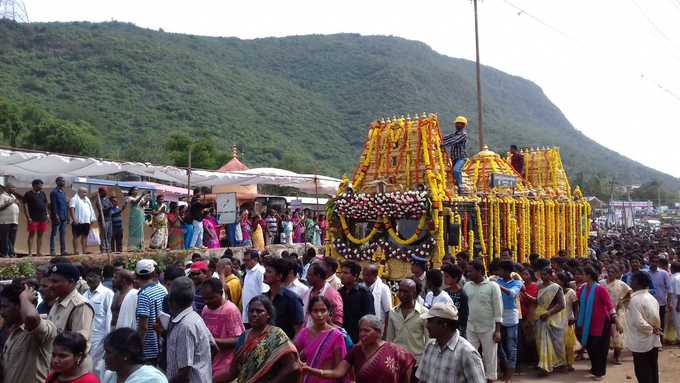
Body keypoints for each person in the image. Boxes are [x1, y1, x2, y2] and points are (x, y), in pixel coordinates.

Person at [303, 314, 415, 383]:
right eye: (361, 330)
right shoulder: (355, 351)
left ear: (379, 332)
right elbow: (337, 373)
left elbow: (408, 366)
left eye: (367, 331)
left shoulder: (394, 351)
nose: (362, 334)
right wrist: (310, 370)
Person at [215, 295, 301, 383]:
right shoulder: (244, 336)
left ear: (268, 315)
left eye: (259, 311)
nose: (254, 314)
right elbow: (232, 372)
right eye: (251, 311)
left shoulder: (276, 335)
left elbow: (292, 366)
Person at [0, 280, 57, 383]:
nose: (2, 312)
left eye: (5, 307)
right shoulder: (13, 333)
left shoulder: (46, 327)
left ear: (20, 306)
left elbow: (30, 317)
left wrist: (24, 297)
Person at [416, 303, 486, 383]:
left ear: (444, 324)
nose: (427, 325)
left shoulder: (467, 353)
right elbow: (422, 379)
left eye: (430, 321)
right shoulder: (430, 346)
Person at [165, 277, 213, 383]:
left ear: (172, 301)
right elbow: (213, 346)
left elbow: (184, 373)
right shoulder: (195, 317)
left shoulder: (185, 326)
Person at [48, 263, 95, 371]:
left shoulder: (80, 305)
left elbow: (80, 344)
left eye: (55, 281)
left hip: (74, 371)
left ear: (71, 282)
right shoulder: (57, 303)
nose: (51, 285)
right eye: (50, 281)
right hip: (59, 367)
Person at [463, 260, 503, 382]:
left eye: (471, 271)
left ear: (480, 271)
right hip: (471, 327)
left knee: (489, 357)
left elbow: (498, 309)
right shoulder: (467, 286)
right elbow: (464, 308)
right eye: (468, 271)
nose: (468, 274)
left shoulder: (493, 286)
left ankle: (490, 379)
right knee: (470, 356)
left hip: (488, 328)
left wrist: (498, 331)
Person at [294, 296, 348, 383]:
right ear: (310, 313)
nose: (319, 315)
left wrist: (312, 370)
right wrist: (300, 362)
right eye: (315, 311)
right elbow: (292, 353)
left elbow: (340, 368)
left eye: (323, 311)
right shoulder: (304, 333)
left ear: (329, 312)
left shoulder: (336, 336)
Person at [576, 265, 615, 381]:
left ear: (589, 276)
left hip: (601, 323)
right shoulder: (582, 289)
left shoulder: (599, 288)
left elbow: (609, 304)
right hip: (587, 324)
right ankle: (594, 368)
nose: (581, 276)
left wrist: (615, 319)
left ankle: (599, 372)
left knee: (599, 348)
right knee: (590, 347)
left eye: (583, 274)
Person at [200, 277, 244, 378]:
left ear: (220, 293)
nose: (207, 302)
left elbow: (239, 340)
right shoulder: (205, 310)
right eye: (204, 298)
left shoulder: (230, 310)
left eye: (211, 298)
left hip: (226, 364)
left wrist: (213, 341)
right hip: (209, 362)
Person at [625, 271, 662, 383]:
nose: (630, 282)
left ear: (638, 283)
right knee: (653, 368)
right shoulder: (651, 298)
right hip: (653, 340)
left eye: (632, 280)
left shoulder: (634, 300)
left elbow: (639, 323)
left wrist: (652, 329)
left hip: (640, 342)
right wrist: (655, 329)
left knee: (642, 372)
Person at [386, 278, 428, 364]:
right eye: (400, 291)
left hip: (416, 362)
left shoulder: (424, 313)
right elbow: (389, 339)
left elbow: (429, 341)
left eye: (406, 292)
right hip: (397, 360)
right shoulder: (393, 313)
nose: (401, 294)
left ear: (414, 293)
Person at [102, 328, 168, 383]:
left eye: (109, 352)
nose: (104, 357)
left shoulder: (152, 379)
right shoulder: (110, 376)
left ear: (126, 355)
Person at [534, 267, 566, 376]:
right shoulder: (538, 286)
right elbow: (538, 302)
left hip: (551, 318)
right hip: (540, 318)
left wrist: (548, 313)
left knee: (555, 343)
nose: (543, 277)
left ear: (551, 275)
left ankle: (550, 366)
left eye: (545, 274)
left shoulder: (556, 288)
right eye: (541, 274)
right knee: (541, 343)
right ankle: (544, 365)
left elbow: (562, 304)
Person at [495, 260, 523, 381]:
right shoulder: (497, 281)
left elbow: (512, 294)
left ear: (506, 271)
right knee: (498, 345)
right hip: (498, 317)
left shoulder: (517, 282)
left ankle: (509, 373)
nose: (498, 272)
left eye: (500, 270)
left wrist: (497, 287)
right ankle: (505, 369)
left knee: (511, 346)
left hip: (511, 318)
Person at [84, 266, 115, 378]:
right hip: (87, 336)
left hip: (100, 337)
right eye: (88, 276)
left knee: (98, 368)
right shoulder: (84, 295)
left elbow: (109, 316)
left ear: (100, 278)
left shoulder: (107, 294)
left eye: (93, 276)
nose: (90, 279)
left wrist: (107, 339)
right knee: (87, 366)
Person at [135, 259, 167, 365]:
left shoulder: (143, 295)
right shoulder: (161, 289)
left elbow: (143, 327)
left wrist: (137, 346)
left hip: (149, 349)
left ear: (136, 275)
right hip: (161, 343)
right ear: (153, 274)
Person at [263, 257, 305, 339]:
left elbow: (299, 330)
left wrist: (290, 349)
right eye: (266, 271)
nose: (264, 274)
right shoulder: (264, 297)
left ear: (279, 276)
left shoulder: (292, 299)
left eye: (269, 272)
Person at [338, 260, 375, 343]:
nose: (342, 275)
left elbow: (369, 319)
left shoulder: (364, 293)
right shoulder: (340, 292)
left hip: (358, 340)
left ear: (355, 276)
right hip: (342, 337)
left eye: (346, 273)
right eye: (341, 272)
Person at [603, 264, 631, 364]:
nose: (610, 274)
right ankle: (603, 355)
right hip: (603, 311)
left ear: (617, 274)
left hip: (618, 310)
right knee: (604, 334)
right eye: (609, 271)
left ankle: (617, 356)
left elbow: (628, 295)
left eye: (613, 272)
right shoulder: (601, 283)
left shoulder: (622, 284)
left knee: (617, 334)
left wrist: (622, 303)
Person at [302, 262, 344, 326]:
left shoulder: (332, 294)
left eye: (309, 275)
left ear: (318, 276)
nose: (307, 277)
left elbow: (338, 320)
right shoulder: (308, 292)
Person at [557, 271, 578, 371]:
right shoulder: (556, 290)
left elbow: (576, 307)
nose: (556, 281)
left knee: (568, 344)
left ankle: (569, 363)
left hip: (568, 320)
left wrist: (575, 318)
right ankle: (562, 362)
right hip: (558, 320)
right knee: (559, 343)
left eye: (558, 279)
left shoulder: (571, 292)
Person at [441, 115, 468, 192]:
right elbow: (445, 138)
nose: (458, 125)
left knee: (456, 170)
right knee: (452, 174)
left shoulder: (463, 135)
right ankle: (456, 188)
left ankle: (461, 187)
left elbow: (453, 141)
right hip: (454, 158)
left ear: (464, 125)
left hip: (461, 158)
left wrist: (441, 144)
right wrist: (436, 137)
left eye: (461, 124)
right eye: (457, 123)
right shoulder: (454, 134)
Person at [442, 262, 469, 337]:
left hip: (457, 329)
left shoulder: (462, 295)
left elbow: (464, 316)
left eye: (447, 277)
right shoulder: (444, 292)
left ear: (455, 278)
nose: (444, 279)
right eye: (444, 276)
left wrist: (461, 330)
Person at [648, 255, 671, 343]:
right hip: (648, 303)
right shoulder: (646, 273)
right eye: (652, 261)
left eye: (656, 261)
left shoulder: (664, 273)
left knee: (661, 322)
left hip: (661, 302)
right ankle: (651, 341)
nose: (654, 263)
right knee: (650, 322)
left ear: (658, 263)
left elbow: (669, 289)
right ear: (649, 262)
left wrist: (668, 303)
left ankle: (659, 341)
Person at [23, 178, 49, 256]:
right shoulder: (28, 194)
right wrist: (28, 217)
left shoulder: (43, 193)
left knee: (40, 235)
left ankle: (38, 252)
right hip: (33, 218)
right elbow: (25, 206)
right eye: (40, 185)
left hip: (42, 217)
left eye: (42, 185)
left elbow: (45, 204)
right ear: (34, 185)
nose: (41, 186)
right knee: (32, 234)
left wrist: (47, 214)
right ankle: (30, 252)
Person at [242, 249, 268, 324]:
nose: (245, 262)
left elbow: (264, 293)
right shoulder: (247, 272)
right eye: (244, 260)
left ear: (255, 259)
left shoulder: (260, 272)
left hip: (257, 314)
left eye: (248, 260)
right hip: (247, 314)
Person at [69, 187, 97, 255]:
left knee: (85, 236)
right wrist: (74, 219)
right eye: (84, 192)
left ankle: (84, 250)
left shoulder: (87, 199)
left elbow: (90, 209)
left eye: (86, 192)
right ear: (79, 192)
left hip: (86, 221)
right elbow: (71, 209)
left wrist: (92, 218)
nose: (85, 194)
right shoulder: (74, 199)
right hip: (78, 221)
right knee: (76, 236)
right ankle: (76, 251)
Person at [50, 177, 70, 256]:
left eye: (64, 181)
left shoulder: (63, 193)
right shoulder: (54, 192)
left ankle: (63, 250)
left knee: (63, 234)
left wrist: (67, 216)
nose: (64, 182)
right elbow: (53, 206)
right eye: (62, 181)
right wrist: (56, 216)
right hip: (57, 216)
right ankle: (52, 251)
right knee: (54, 233)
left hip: (64, 216)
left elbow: (65, 205)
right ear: (57, 182)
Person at [0, 182, 20, 257]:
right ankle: (5, 253)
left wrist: (17, 204)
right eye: (13, 188)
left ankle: (11, 253)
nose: (15, 189)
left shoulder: (13, 196)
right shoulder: (2, 196)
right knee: (5, 238)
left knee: (12, 238)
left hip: (14, 220)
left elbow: (13, 204)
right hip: (5, 221)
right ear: (8, 188)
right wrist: (9, 203)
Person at [93, 187, 113, 253]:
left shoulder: (107, 199)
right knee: (103, 234)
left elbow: (110, 205)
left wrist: (109, 207)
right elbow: (102, 210)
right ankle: (103, 249)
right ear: (101, 192)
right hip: (103, 219)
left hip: (109, 219)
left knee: (109, 234)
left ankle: (108, 248)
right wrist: (109, 207)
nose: (106, 192)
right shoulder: (99, 200)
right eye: (105, 191)